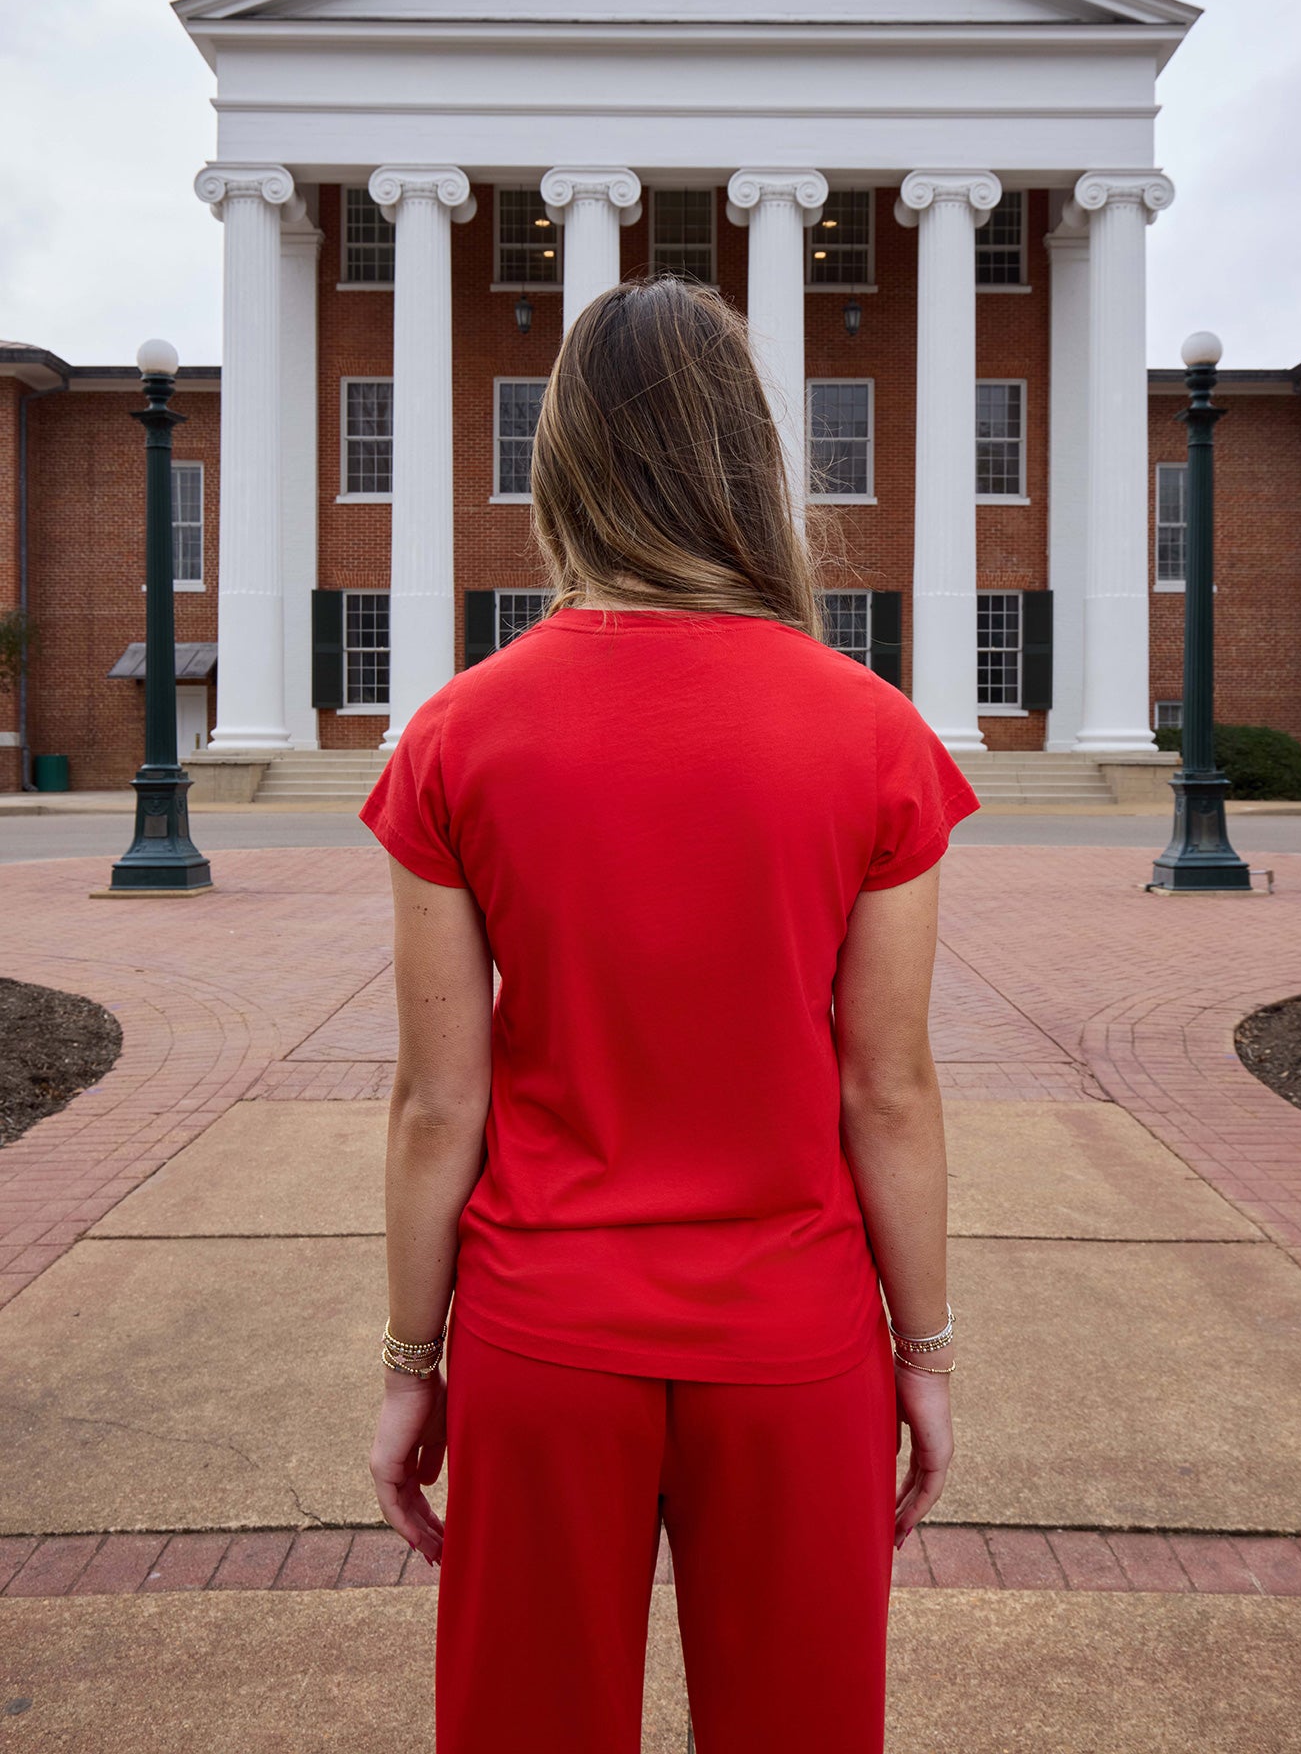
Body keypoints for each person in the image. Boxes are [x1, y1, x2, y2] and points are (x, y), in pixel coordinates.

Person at [359, 275, 980, 1754]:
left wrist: (410, 1366)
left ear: (563, 465)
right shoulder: (874, 733)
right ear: (748, 464)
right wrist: (925, 1350)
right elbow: (886, 1090)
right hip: (793, 1336)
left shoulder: (456, 733)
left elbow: (439, 1104)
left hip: (542, 1330)